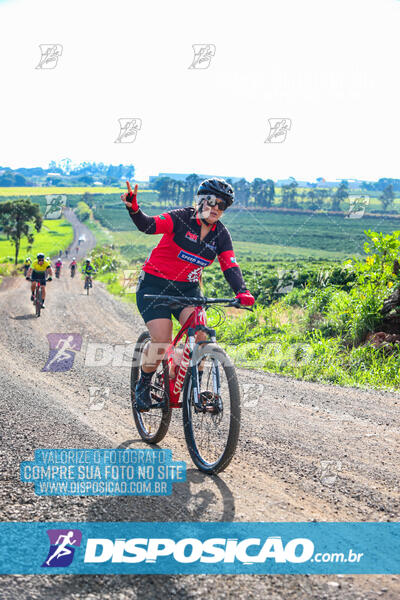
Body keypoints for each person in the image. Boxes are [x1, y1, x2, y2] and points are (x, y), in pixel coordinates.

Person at [121, 178, 255, 411]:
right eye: (211, 202)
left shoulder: (220, 234)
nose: (215, 208)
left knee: (202, 336)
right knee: (162, 341)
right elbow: (149, 226)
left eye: (222, 205)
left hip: (188, 290)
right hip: (154, 287)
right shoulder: (181, 218)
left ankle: (194, 385)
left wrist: (242, 291)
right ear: (200, 201)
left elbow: (230, 265)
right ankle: (143, 383)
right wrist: (134, 208)